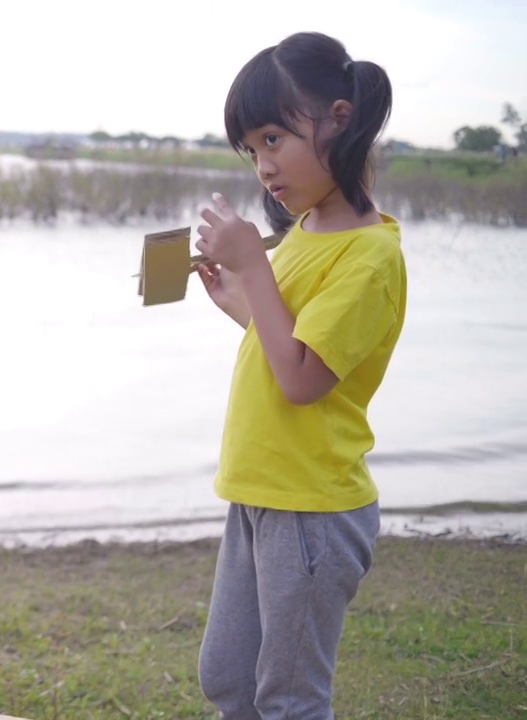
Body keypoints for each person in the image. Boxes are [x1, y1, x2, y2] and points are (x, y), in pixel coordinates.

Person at [192, 32, 407, 720]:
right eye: (251, 150)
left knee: (290, 699)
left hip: (312, 506)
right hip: (259, 490)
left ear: (339, 119)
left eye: (275, 139)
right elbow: (281, 340)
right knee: (228, 679)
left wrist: (255, 266)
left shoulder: (370, 257)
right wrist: (239, 294)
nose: (263, 165)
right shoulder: (308, 230)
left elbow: (305, 380)